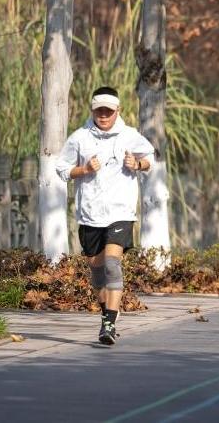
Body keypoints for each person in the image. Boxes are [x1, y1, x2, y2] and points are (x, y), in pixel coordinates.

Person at [56, 86, 155, 345]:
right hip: (90, 214)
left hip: (121, 211)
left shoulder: (130, 136)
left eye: (108, 111)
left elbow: (150, 159)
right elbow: (62, 169)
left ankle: (109, 325)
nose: (103, 115)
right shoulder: (79, 138)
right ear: (92, 110)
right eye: (99, 110)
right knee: (97, 272)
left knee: (112, 264)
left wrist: (137, 164)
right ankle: (106, 313)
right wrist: (84, 169)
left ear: (117, 111)